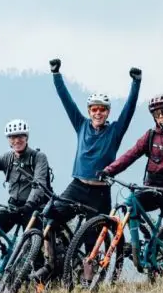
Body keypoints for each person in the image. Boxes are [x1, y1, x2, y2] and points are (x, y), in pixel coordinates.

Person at [46, 58, 141, 272]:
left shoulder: (115, 130)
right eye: (94, 109)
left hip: (100, 193)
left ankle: (89, 283)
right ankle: (53, 263)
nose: (98, 113)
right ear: (89, 111)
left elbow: (129, 110)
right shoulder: (81, 125)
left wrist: (136, 83)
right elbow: (66, 101)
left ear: (107, 112)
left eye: (102, 109)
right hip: (77, 186)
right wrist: (56, 75)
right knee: (50, 217)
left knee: (92, 240)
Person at [104, 94, 163, 272]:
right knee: (130, 204)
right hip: (152, 187)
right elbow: (131, 154)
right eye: (156, 114)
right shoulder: (151, 135)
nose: (160, 116)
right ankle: (144, 239)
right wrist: (109, 170)